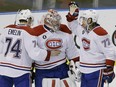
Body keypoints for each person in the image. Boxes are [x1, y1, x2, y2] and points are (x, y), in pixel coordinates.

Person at [0, 9, 60, 87]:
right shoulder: (29, 32)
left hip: (3, 70)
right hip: (21, 71)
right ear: (28, 19)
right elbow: (34, 54)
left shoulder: (6, 29)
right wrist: (49, 53)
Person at [66, 1, 116, 87]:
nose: (82, 22)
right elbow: (73, 26)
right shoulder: (82, 30)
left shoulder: (100, 32)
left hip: (96, 71)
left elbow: (110, 51)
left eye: (84, 19)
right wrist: (72, 14)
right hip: (84, 70)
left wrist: (109, 68)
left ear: (90, 20)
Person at [33, 9, 80, 87]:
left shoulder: (65, 30)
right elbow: (33, 52)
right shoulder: (36, 32)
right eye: (55, 21)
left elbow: (72, 51)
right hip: (43, 71)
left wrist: (77, 64)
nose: (57, 23)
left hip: (62, 68)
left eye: (58, 21)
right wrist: (48, 54)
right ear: (48, 21)